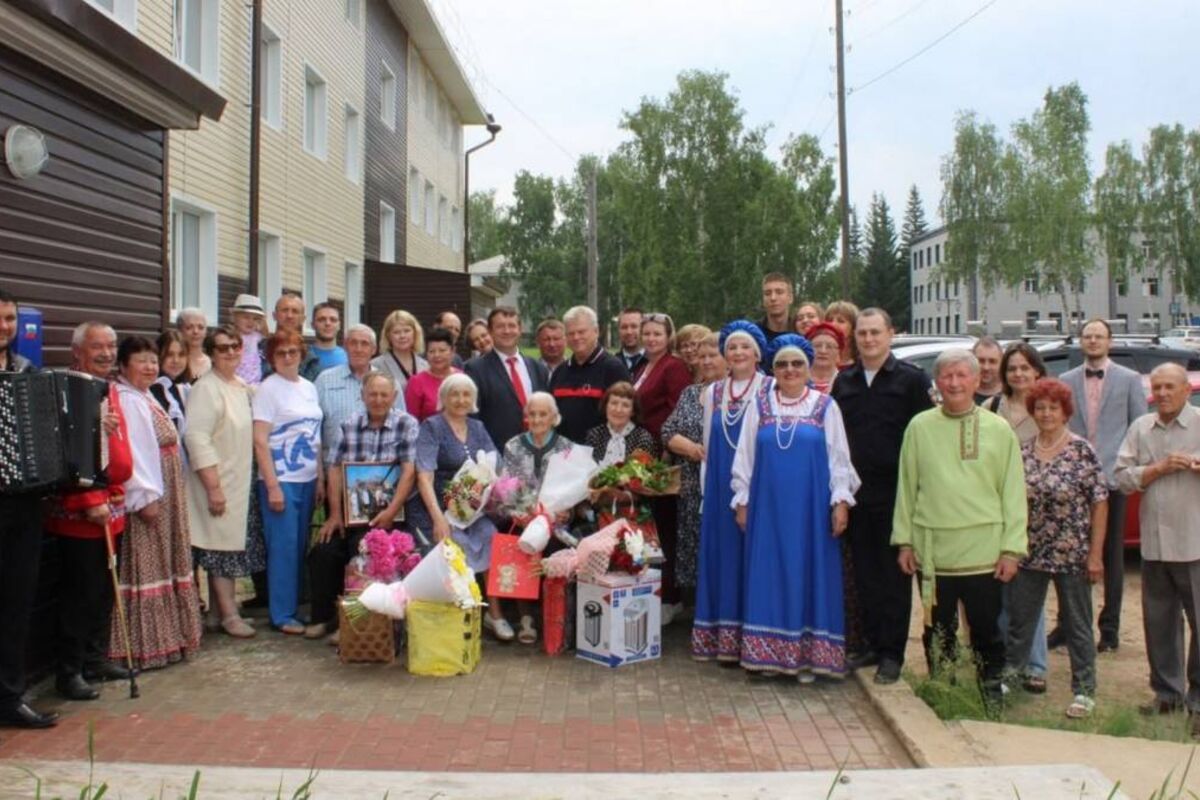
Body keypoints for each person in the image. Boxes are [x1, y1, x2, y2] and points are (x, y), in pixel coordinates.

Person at [892, 348, 1027, 708]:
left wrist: (1012, 549)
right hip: (934, 551)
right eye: (946, 376)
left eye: (960, 376)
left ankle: (991, 691)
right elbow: (907, 486)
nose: (953, 383)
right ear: (937, 382)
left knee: (986, 630)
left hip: (984, 550)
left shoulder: (999, 430)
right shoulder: (920, 427)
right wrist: (904, 541)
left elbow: (1013, 491)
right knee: (937, 630)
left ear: (975, 379)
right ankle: (942, 689)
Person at [732, 334, 859, 679]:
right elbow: (744, 456)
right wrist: (741, 499)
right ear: (773, 370)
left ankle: (807, 659)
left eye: (797, 364)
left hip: (811, 512)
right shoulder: (759, 405)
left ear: (807, 367)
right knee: (770, 575)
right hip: (768, 510)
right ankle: (770, 655)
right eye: (782, 365)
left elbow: (839, 459)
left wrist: (841, 502)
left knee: (808, 575)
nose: (790, 370)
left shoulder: (825, 406)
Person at [832, 308, 934, 684]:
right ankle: (873, 644)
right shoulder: (845, 382)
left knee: (894, 576)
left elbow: (925, 440)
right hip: (858, 495)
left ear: (890, 334)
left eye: (876, 332)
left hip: (897, 494)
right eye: (863, 333)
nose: (869, 339)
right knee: (865, 574)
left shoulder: (911, 381)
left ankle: (893, 654)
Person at [1005, 378, 1107, 718]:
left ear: (1066, 412)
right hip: (1031, 551)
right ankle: (1012, 677)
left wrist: (1095, 554)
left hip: (1073, 553)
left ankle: (1084, 692)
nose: (1046, 414)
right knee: (1022, 621)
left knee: (1078, 625)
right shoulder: (1022, 452)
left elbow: (1099, 502)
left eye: (1053, 408)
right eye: (1040, 408)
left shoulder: (1081, 451)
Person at [44, 322, 133, 703]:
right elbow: (68, 456)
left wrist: (115, 490)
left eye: (111, 346)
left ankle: (95, 659)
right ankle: (70, 672)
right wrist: (88, 500)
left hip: (111, 509)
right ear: (77, 351)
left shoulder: (107, 387)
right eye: (98, 346)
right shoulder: (67, 390)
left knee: (101, 595)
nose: (107, 353)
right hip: (83, 515)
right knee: (78, 597)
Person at [1114, 363, 1200, 729]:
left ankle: (1198, 700)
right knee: (1158, 622)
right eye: (1158, 387)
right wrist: (1156, 469)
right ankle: (1167, 693)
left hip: (1194, 541)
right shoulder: (1141, 428)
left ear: (1186, 390)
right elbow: (1120, 478)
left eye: (1170, 387)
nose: (1162, 394)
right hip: (1154, 543)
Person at [112, 336, 203, 669]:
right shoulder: (129, 400)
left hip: (165, 487)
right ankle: (147, 642)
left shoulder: (144, 395)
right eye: (142, 361)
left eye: (153, 360)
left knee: (164, 560)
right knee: (148, 563)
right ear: (123, 366)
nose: (150, 367)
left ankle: (168, 639)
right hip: (149, 495)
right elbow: (134, 453)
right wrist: (145, 496)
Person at [1059, 318, 1147, 653]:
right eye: (1088, 336)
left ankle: (1109, 629)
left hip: (1112, 480)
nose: (1093, 341)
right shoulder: (1066, 381)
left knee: (1111, 557)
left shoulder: (1128, 380)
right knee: (1069, 556)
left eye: (1099, 336)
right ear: (1081, 342)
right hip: (1075, 481)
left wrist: (1126, 467)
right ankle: (1067, 625)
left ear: (1109, 341)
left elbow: (1137, 426)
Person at [310, 371, 419, 641]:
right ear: (362, 396)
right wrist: (335, 515)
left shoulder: (406, 424)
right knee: (323, 551)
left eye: (384, 394)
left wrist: (391, 511)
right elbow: (334, 468)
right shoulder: (349, 424)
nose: (378, 399)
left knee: (365, 550)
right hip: (349, 513)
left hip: (391, 515)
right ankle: (325, 618)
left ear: (394, 397)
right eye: (373, 394)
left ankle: (355, 624)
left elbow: (409, 471)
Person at [691, 321, 769, 663]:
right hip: (721, 486)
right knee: (724, 558)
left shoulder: (769, 388)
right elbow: (709, 442)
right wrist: (709, 491)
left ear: (757, 353)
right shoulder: (714, 393)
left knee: (754, 559)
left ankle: (754, 637)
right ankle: (722, 639)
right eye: (732, 347)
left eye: (744, 347)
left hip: (760, 484)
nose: (738, 353)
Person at [406, 374, 506, 637]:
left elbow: (496, 465)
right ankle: (462, 613)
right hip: (436, 507)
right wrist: (439, 518)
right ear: (444, 398)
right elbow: (424, 476)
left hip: (472, 509)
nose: (461, 400)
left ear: (472, 399)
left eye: (466, 394)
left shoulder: (478, 427)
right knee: (454, 544)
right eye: (454, 394)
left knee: (492, 537)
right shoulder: (432, 426)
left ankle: (493, 614)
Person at [0, 289, 59, 728]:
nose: (5, 327)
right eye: (0, 319)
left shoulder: (24, 371)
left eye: (9, 320)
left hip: (22, 502)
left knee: (17, 602)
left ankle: (9, 697)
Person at [185, 325, 264, 640]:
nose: (231, 352)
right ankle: (230, 615)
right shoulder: (206, 388)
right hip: (217, 481)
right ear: (210, 353)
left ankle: (218, 614)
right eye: (222, 348)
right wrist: (213, 486)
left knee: (230, 546)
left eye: (235, 346)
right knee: (220, 550)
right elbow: (196, 437)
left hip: (239, 479)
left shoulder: (240, 385)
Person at [253, 330, 324, 634]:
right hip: (281, 478)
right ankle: (281, 614)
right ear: (272, 358)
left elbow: (315, 436)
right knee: (282, 547)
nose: (287, 358)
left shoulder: (309, 387)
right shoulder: (268, 389)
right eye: (281, 353)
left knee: (298, 546)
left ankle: (293, 608)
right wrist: (272, 485)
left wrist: (320, 477)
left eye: (293, 351)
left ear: (301, 354)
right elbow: (259, 440)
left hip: (307, 477)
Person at [632, 312, 692, 623]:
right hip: (642, 456)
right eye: (647, 333)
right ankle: (653, 589)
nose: (651, 338)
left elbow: (676, 411)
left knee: (666, 529)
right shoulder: (642, 366)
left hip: (664, 458)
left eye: (657, 334)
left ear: (668, 337)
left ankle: (670, 597)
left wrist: (667, 452)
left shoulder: (674, 366)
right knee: (649, 528)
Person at [500, 392, 573, 644]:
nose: (537, 419)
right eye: (532, 414)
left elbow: (574, 489)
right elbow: (505, 492)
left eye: (543, 414)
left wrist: (567, 511)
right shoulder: (513, 446)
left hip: (556, 522)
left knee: (559, 548)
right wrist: (519, 514)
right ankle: (526, 617)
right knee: (522, 545)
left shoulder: (566, 447)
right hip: (524, 519)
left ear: (554, 418)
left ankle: (554, 615)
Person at [663, 332, 725, 603]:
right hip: (690, 486)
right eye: (703, 356)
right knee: (695, 547)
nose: (707, 361)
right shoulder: (690, 393)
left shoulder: (736, 395)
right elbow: (668, 430)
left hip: (723, 486)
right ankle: (701, 612)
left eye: (713, 355)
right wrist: (690, 448)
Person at [465, 306, 550, 451]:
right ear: (490, 331)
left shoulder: (538, 368)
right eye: (500, 326)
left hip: (537, 451)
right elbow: (472, 418)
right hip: (497, 454)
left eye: (512, 326)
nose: (507, 331)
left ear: (520, 329)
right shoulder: (476, 369)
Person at [317, 325, 401, 463]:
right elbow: (315, 429)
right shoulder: (324, 380)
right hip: (334, 468)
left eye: (365, 344)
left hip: (380, 471)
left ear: (373, 350)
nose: (358, 349)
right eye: (353, 343)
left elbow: (400, 425)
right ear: (345, 346)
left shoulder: (389, 383)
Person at [550, 305, 630, 444]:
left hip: (601, 456)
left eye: (581, 332)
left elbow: (627, 416)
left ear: (596, 331)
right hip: (564, 455)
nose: (576, 337)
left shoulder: (613, 369)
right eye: (571, 333)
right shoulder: (560, 372)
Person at [988, 342, 1048, 445]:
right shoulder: (991, 406)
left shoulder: (1050, 408)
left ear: (1037, 371)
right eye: (1012, 369)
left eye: (1024, 368)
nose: (1018, 374)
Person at [405, 327, 461, 422]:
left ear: (452, 351)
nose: (437, 355)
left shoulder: (461, 378)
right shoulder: (416, 382)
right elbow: (411, 421)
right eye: (432, 351)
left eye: (442, 350)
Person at [264, 292, 321, 381]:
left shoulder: (310, 359)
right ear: (274, 315)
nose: (289, 316)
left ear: (303, 319)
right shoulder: (259, 350)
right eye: (285, 310)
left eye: (295, 311)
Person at [371, 309, 428, 397]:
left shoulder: (426, 366)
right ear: (388, 336)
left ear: (415, 333)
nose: (402, 336)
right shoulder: (375, 366)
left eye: (407, 331)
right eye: (396, 332)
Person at [150, 329, 190, 435]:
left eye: (181, 355)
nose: (176, 360)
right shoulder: (153, 391)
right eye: (169, 355)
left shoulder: (184, 389)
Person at [231, 293, 267, 385]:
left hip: (255, 382)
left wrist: (262, 322)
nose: (250, 322)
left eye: (255, 319)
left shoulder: (256, 336)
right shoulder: (232, 335)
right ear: (234, 318)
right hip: (236, 379)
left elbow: (266, 334)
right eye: (246, 317)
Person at [310, 302, 348, 375]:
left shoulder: (349, 357)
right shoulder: (303, 356)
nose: (328, 323)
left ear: (339, 325)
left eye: (333, 320)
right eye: (322, 319)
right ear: (313, 325)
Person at [806, 322, 844, 394]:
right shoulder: (796, 380)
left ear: (838, 352)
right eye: (817, 346)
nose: (823, 351)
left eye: (829, 347)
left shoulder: (847, 382)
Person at [758, 273, 794, 344]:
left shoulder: (800, 333)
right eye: (767, 293)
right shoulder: (754, 334)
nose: (773, 298)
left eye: (779, 292)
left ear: (790, 298)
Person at [176, 307, 210, 380]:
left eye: (200, 327)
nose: (195, 332)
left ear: (206, 332)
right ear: (179, 331)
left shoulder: (212, 364)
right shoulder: (174, 362)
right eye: (189, 327)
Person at [825, 301, 859, 369]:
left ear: (853, 328)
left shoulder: (862, 362)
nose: (833, 324)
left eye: (841, 321)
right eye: (830, 320)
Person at [973, 337, 1004, 405]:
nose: (986, 367)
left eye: (992, 361)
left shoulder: (1011, 394)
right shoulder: (962, 393)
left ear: (1001, 363)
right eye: (981, 361)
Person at [617, 307, 646, 374]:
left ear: (644, 328)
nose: (629, 332)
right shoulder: (610, 365)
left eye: (634, 326)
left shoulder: (655, 363)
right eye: (624, 327)